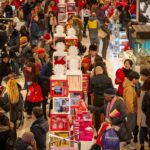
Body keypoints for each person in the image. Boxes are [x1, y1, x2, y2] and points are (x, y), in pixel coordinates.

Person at [90, 65, 113, 134]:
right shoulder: (108, 79)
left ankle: (98, 132)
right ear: (102, 71)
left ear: (95, 72)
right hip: (106, 99)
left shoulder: (93, 79)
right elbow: (112, 90)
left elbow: (90, 91)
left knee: (97, 116)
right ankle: (106, 131)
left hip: (96, 99)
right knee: (107, 115)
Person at [123, 71, 140, 150]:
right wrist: (132, 111)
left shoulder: (129, 86)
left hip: (129, 111)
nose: (138, 81)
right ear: (133, 79)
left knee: (129, 126)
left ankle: (127, 141)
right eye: (137, 79)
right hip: (131, 111)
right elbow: (129, 102)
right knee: (130, 127)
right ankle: (128, 142)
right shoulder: (130, 88)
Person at [138, 69, 150, 150]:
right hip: (146, 113)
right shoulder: (146, 91)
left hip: (142, 113)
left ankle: (142, 145)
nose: (141, 76)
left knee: (142, 129)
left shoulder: (141, 90)